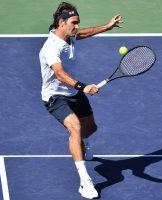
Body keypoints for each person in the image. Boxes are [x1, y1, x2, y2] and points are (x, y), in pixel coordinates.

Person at [39, 2, 123, 199]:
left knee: (90, 130)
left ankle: (77, 143)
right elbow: (59, 73)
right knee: (75, 127)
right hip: (55, 96)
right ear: (61, 23)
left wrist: (107, 26)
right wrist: (83, 87)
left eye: (77, 23)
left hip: (73, 93)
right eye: (73, 23)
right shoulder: (50, 47)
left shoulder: (69, 36)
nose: (77, 26)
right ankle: (85, 182)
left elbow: (83, 33)